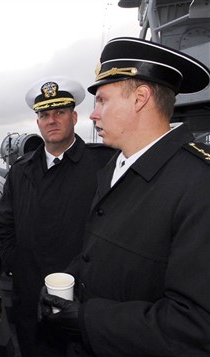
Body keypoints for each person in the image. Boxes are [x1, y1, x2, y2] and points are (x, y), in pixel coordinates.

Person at [38, 37, 210, 356]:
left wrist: (88, 318)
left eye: (102, 100)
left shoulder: (199, 183)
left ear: (140, 99)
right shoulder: (114, 167)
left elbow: (197, 326)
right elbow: (99, 250)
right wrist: (69, 280)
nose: (92, 115)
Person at [0, 77, 116, 356]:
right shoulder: (20, 170)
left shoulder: (102, 164)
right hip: (30, 292)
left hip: (84, 297)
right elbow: (6, 224)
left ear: (74, 117)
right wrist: (18, 266)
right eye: (44, 114)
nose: (52, 120)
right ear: (38, 123)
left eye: (59, 112)